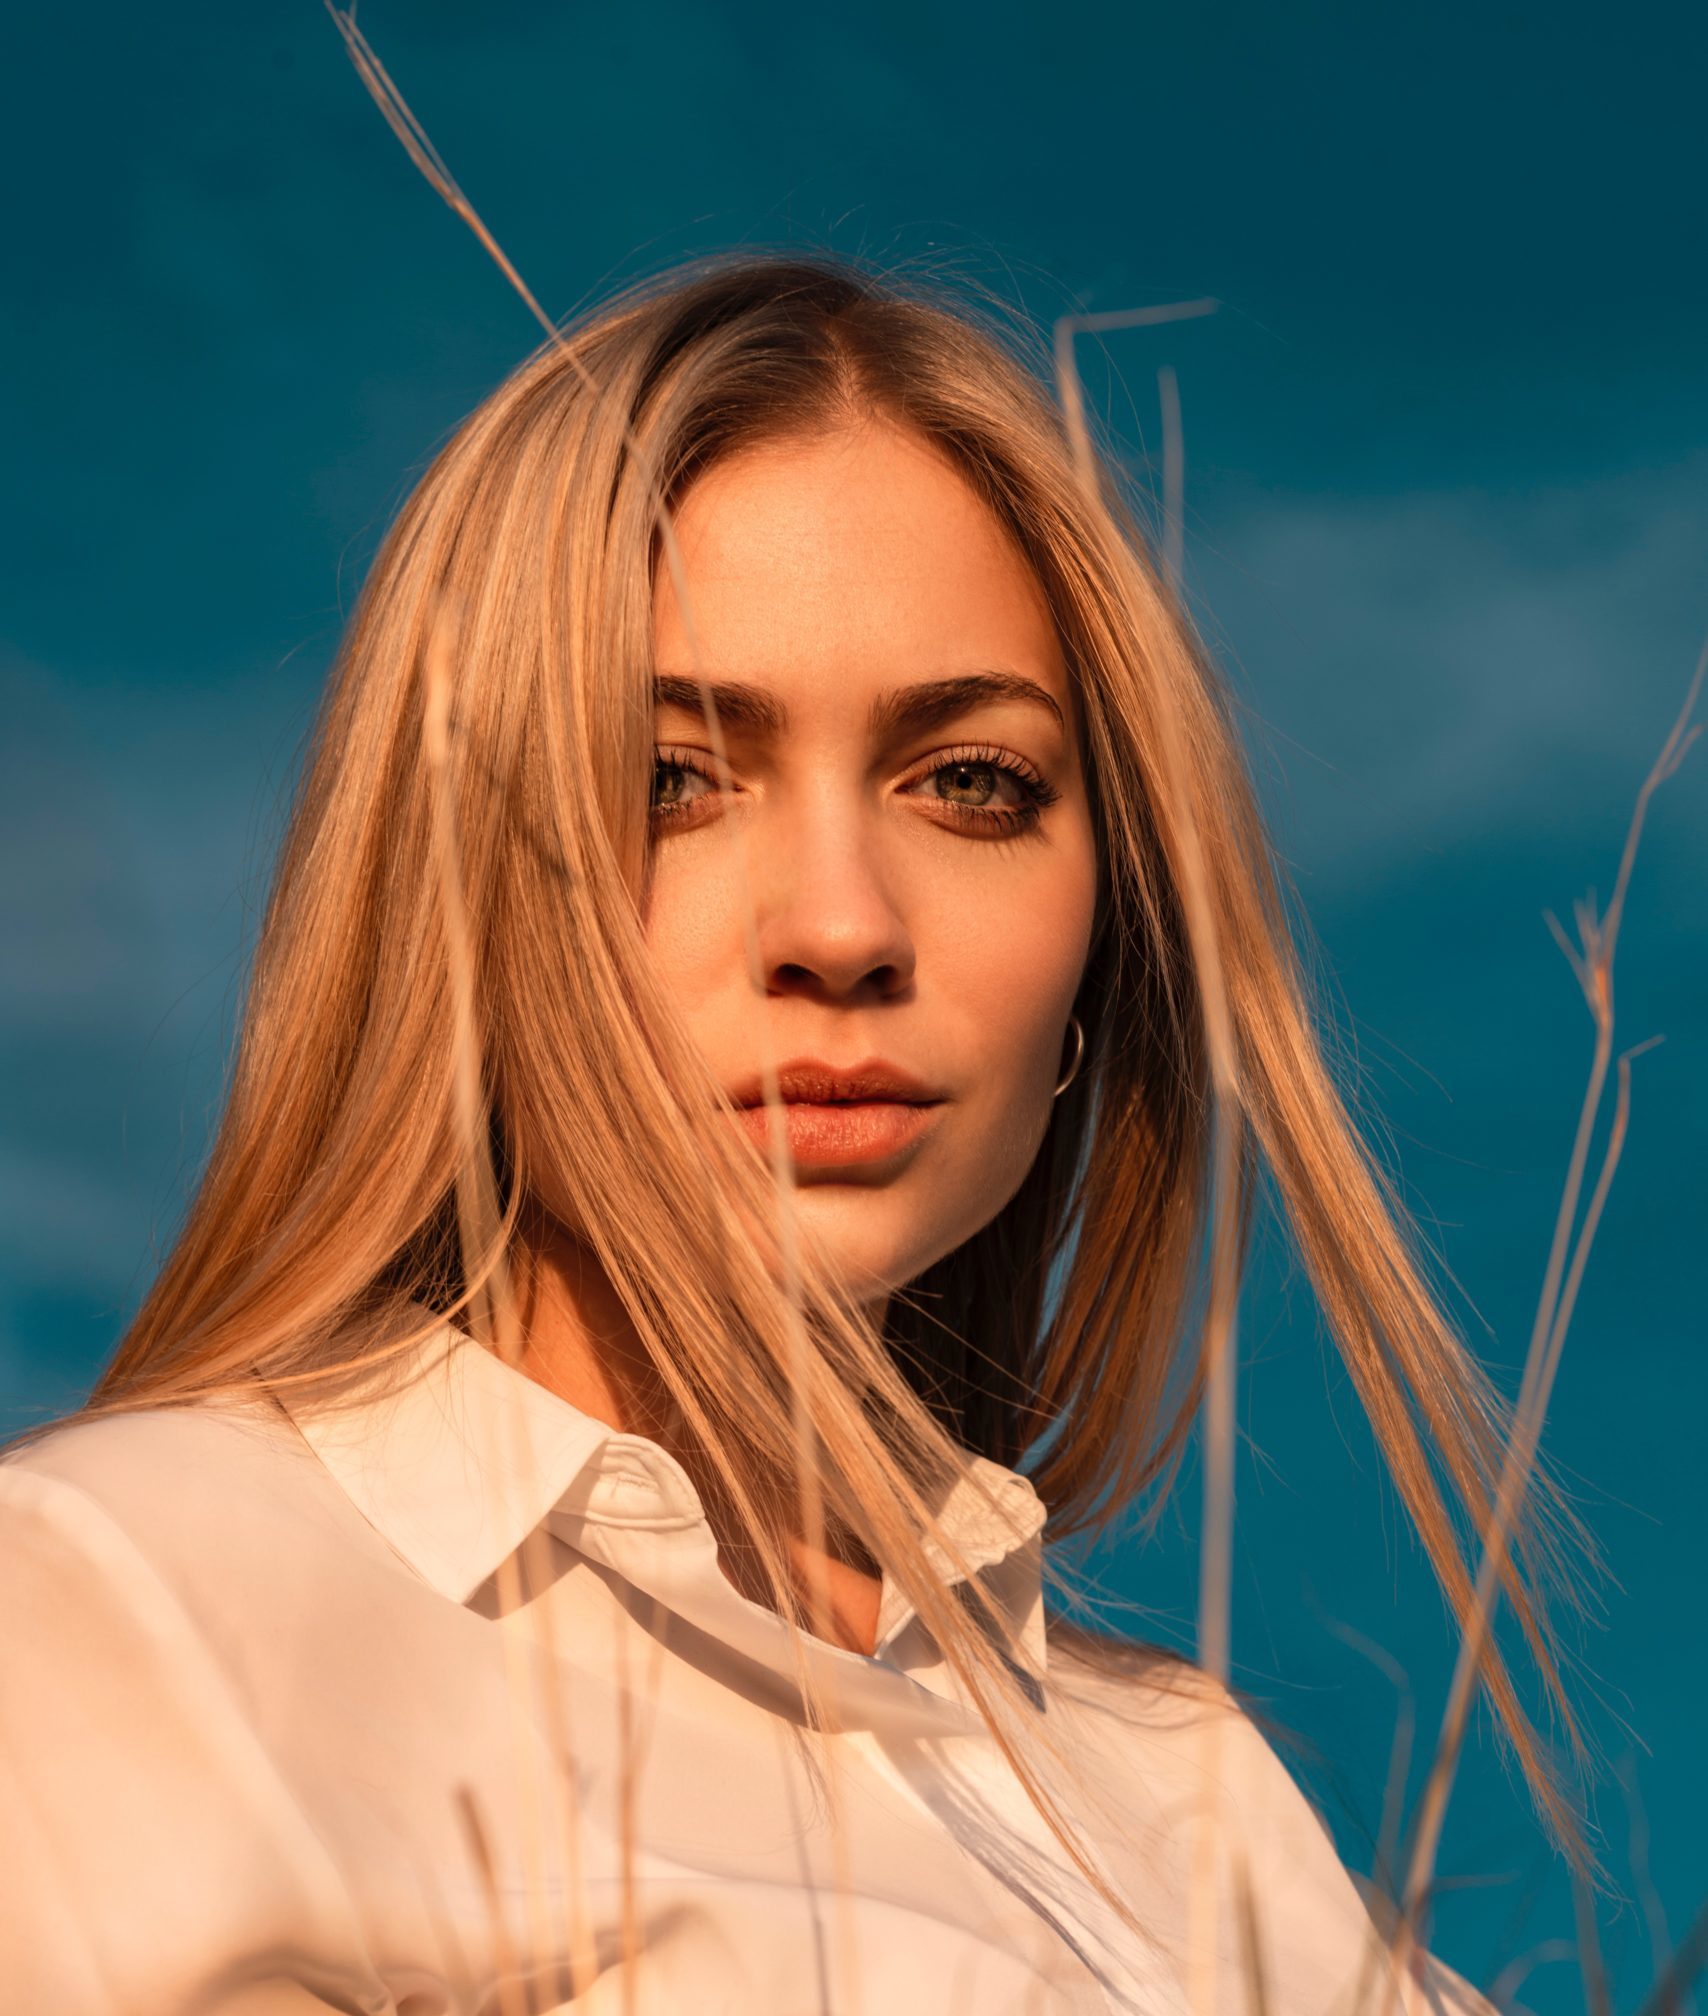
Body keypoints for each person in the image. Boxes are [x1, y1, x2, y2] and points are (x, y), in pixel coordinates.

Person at [0, 254, 1574, 2013]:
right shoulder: (112, 1611)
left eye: (972, 782)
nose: (840, 925)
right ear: (446, 890)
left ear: (1105, 937)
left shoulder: (1201, 1819)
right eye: (671, 773)